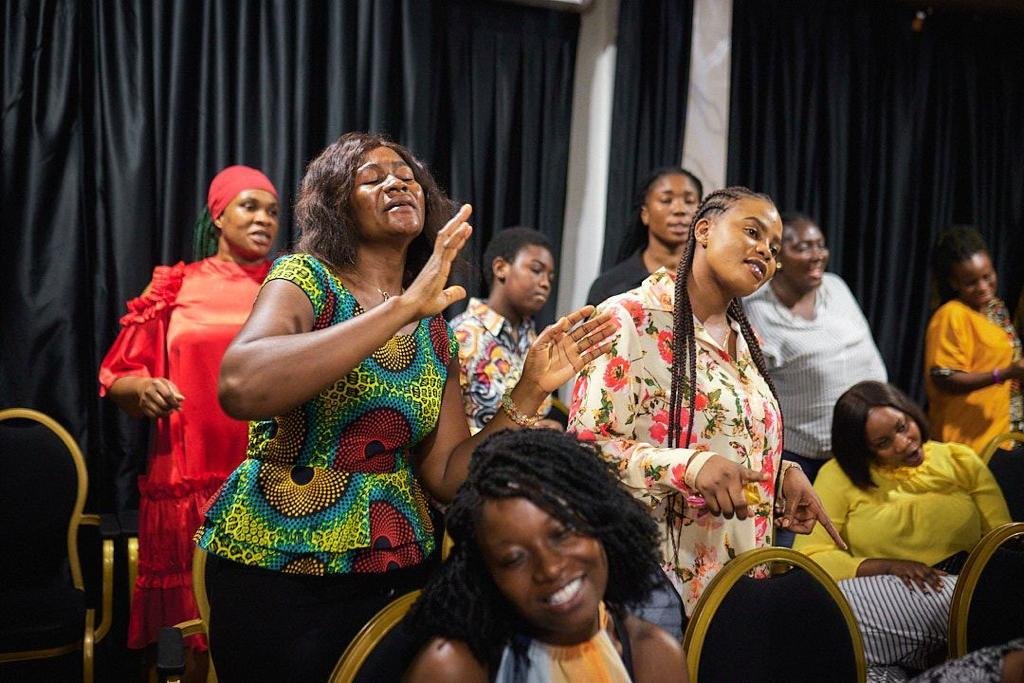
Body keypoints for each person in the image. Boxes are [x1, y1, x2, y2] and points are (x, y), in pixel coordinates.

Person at [194, 132, 615, 680]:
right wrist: (400, 309)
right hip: (281, 561)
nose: (396, 183)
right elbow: (241, 385)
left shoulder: (434, 331)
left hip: (401, 562)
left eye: (406, 177)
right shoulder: (306, 279)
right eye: (372, 179)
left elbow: (447, 476)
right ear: (336, 204)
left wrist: (529, 390)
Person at [569, 186, 843, 628]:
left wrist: (782, 473)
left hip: (736, 583)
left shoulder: (744, 339)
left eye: (774, 249)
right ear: (703, 230)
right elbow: (586, 452)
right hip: (655, 586)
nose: (765, 252)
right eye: (752, 232)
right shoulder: (628, 318)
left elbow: (727, 437)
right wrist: (689, 467)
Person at [98, 165, 280, 650]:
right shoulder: (175, 285)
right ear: (217, 216)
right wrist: (143, 389)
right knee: (191, 635)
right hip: (188, 477)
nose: (264, 219)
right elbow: (117, 376)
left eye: (272, 211)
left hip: (269, 478)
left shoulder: (287, 288)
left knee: (261, 628)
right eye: (250, 206)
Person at [405, 428, 687, 683]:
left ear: (601, 521)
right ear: (487, 573)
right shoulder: (455, 668)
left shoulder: (653, 655)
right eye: (514, 559)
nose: (550, 568)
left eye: (563, 534)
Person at [795, 381, 1010, 670]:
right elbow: (811, 558)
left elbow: (1003, 539)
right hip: (884, 592)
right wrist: (886, 566)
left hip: (963, 588)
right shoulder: (838, 476)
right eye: (883, 443)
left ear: (909, 411)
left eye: (902, 426)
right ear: (862, 450)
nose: (903, 442)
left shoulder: (959, 459)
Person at [744, 212, 887, 485]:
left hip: (863, 445)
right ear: (776, 254)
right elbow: (752, 392)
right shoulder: (756, 309)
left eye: (820, 245)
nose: (817, 255)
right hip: (803, 457)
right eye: (803, 247)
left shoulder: (835, 286)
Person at [925, 226, 1024, 455]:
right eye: (971, 282)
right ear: (954, 282)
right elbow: (944, 377)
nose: (983, 287)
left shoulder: (996, 309)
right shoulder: (951, 315)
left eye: (987, 276)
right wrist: (1004, 374)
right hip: (968, 445)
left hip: (1003, 435)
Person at [451, 227, 560, 433]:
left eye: (550, 277)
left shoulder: (537, 342)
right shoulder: (461, 336)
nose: (545, 283)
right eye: (536, 270)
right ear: (501, 268)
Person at [586, 167, 702, 306]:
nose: (680, 210)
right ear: (645, 214)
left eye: (689, 201)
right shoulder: (610, 286)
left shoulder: (713, 281)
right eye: (666, 200)